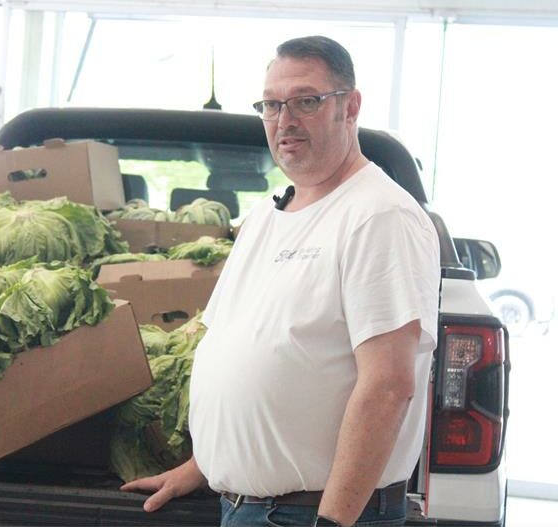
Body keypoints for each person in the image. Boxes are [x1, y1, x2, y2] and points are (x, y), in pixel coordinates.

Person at [121, 35, 441, 527]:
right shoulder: (267, 217)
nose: (284, 120)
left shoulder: (379, 215)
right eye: (271, 105)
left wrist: (331, 522)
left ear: (350, 107)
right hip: (248, 508)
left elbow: (388, 385)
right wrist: (202, 466)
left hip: (314, 514)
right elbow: (246, 348)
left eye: (305, 101)